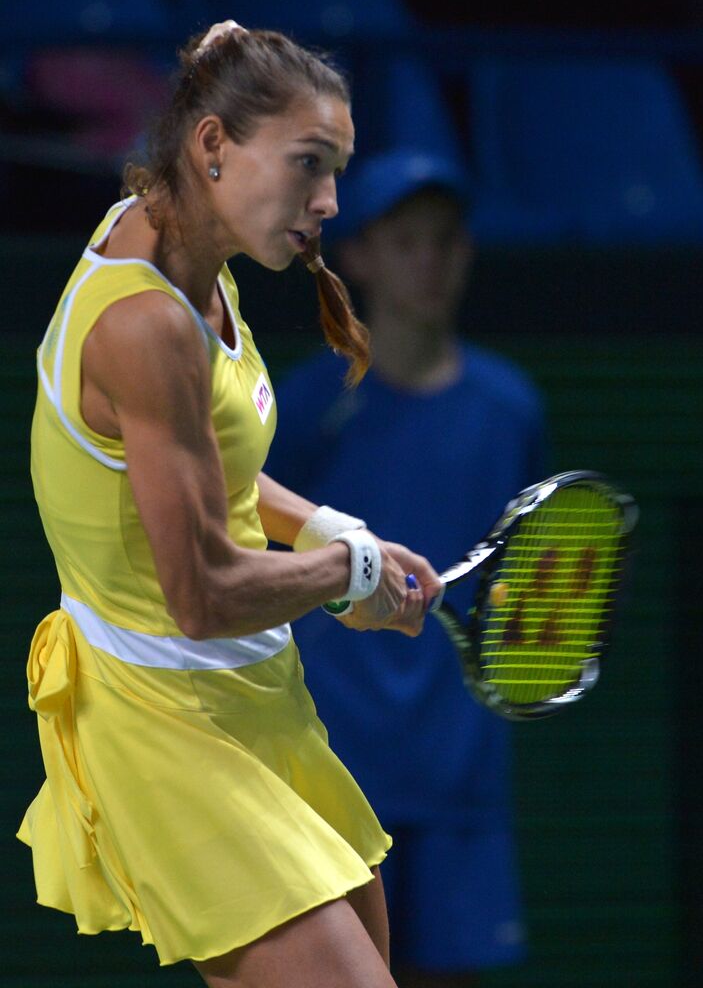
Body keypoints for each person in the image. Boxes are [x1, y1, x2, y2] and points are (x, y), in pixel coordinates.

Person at [20, 21, 445, 988]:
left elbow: (199, 465)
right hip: (166, 721)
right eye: (307, 166)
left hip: (260, 705)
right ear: (212, 149)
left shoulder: (190, 248)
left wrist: (333, 530)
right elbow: (203, 592)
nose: (329, 203)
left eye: (334, 170)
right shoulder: (144, 327)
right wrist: (350, 576)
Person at [264, 148, 547, 987]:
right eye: (405, 241)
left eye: (445, 241)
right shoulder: (311, 406)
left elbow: (535, 590)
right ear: (359, 258)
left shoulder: (510, 409)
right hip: (334, 780)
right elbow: (248, 558)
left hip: (460, 788)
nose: (428, 260)